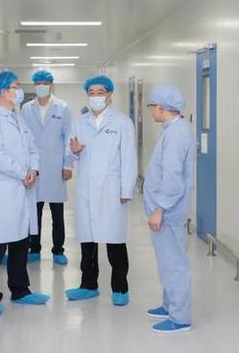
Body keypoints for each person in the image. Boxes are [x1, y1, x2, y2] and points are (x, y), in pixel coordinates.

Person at [0, 71, 50, 316]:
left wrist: (34, 170)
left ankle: (20, 291)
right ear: (2, 92)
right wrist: (23, 172)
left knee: (20, 242)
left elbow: (33, 147)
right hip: (2, 191)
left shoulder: (17, 118)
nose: (18, 91)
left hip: (22, 189)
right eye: (14, 87)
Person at [65, 76, 137, 306]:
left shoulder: (122, 122)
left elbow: (129, 158)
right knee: (88, 241)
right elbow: (70, 154)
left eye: (100, 92)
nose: (96, 97)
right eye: (92, 92)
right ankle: (88, 285)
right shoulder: (79, 122)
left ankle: (120, 288)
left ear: (109, 95)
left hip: (111, 188)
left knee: (115, 240)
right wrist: (75, 152)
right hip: (87, 187)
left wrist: (126, 189)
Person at [143, 84, 195, 333]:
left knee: (174, 264)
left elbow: (173, 178)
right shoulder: (173, 130)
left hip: (168, 211)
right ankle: (169, 305)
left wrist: (159, 208)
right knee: (167, 261)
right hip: (166, 210)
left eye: (152, 106)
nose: (151, 110)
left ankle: (180, 317)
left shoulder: (176, 135)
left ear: (161, 108)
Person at [21, 70, 73, 265]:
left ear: (51, 85)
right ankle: (34, 248)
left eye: (45, 82)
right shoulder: (26, 108)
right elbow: (23, 138)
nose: (41, 86)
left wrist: (68, 165)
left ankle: (58, 250)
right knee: (34, 212)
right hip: (33, 167)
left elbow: (69, 137)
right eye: (38, 83)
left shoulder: (62, 107)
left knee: (57, 214)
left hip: (55, 166)